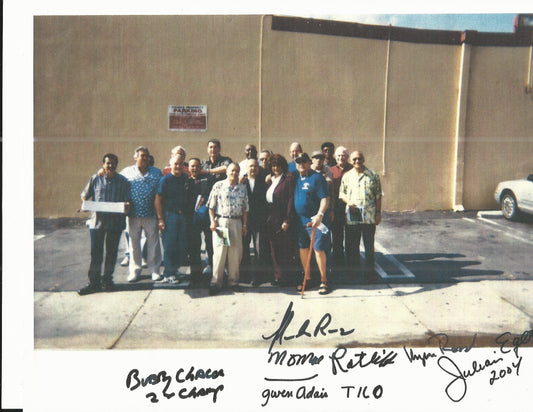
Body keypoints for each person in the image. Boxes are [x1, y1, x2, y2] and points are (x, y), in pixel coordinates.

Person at [78, 153, 131, 295]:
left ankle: (107, 281)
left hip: (115, 223)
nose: (111, 166)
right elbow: (85, 194)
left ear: (116, 165)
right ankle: (93, 283)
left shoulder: (123, 181)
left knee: (111, 253)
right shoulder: (95, 179)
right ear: (103, 164)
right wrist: (85, 202)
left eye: (113, 163)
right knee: (96, 254)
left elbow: (128, 200)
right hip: (97, 223)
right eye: (108, 163)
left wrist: (127, 205)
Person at [120, 146, 163, 282]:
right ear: (135, 157)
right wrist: (102, 171)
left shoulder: (156, 172)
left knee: (153, 244)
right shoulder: (126, 172)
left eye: (146, 156)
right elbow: (115, 180)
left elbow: (162, 191)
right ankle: (135, 271)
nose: (144, 158)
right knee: (133, 245)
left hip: (151, 214)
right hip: (133, 215)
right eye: (141, 155)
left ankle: (155, 271)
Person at [339, 151, 383, 282]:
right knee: (352, 246)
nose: (357, 161)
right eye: (354, 159)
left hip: (369, 216)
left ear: (363, 159)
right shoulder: (347, 176)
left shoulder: (373, 175)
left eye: (359, 158)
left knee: (369, 246)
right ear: (351, 161)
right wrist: (348, 202)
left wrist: (378, 213)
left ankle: (370, 273)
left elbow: (378, 196)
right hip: (353, 216)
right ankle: (353, 273)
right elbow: (342, 194)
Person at [207, 163, 249, 295]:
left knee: (235, 253)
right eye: (232, 170)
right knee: (220, 253)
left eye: (237, 171)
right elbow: (211, 206)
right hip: (222, 222)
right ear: (227, 172)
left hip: (236, 222)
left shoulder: (242, 188)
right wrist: (212, 221)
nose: (234, 173)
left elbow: (245, 209)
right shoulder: (219, 186)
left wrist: (244, 225)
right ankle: (216, 282)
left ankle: (233, 281)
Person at [293, 153, 331, 295]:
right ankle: (308, 278)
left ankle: (323, 280)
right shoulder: (296, 177)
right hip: (300, 221)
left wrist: (320, 215)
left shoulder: (317, 178)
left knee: (318, 250)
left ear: (310, 163)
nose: (301, 164)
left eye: (304, 162)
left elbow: (325, 199)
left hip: (315, 221)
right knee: (303, 249)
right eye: (298, 162)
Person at [155, 153, 189, 284]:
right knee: (170, 246)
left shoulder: (185, 178)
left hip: (182, 216)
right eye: (175, 163)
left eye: (180, 163)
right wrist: (160, 219)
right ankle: (168, 273)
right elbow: (158, 200)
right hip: (170, 216)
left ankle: (174, 270)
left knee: (180, 245)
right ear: (171, 165)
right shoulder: (165, 180)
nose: (178, 166)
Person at [265, 154, 296, 286]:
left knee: (285, 250)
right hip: (271, 218)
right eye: (273, 165)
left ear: (283, 166)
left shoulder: (288, 180)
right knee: (274, 249)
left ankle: (286, 277)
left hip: (282, 218)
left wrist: (287, 220)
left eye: (278, 165)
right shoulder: (271, 180)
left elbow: (290, 200)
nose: (276, 167)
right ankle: (278, 276)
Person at [240, 158, 269, 286]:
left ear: (259, 168)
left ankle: (258, 277)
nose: (253, 168)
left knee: (259, 249)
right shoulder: (241, 182)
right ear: (246, 168)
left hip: (259, 220)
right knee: (244, 249)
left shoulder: (263, 181)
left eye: (255, 166)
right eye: (250, 166)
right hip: (244, 221)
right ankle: (244, 276)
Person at [186, 157, 215, 285]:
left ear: (200, 167)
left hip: (207, 218)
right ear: (189, 168)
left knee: (211, 244)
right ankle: (195, 273)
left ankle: (213, 269)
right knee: (194, 247)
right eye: (192, 166)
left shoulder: (208, 180)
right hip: (192, 220)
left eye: (197, 166)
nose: (195, 168)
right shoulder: (186, 182)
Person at [329, 146, 353, 266]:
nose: (340, 157)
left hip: (350, 206)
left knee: (350, 236)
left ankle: (351, 264)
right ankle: (338, 264)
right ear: (335, 157)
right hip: (336, 207)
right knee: (337, 236)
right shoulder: (331, 170)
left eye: (343, 155)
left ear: (347, 157)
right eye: (338, 155)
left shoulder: (353, 169)